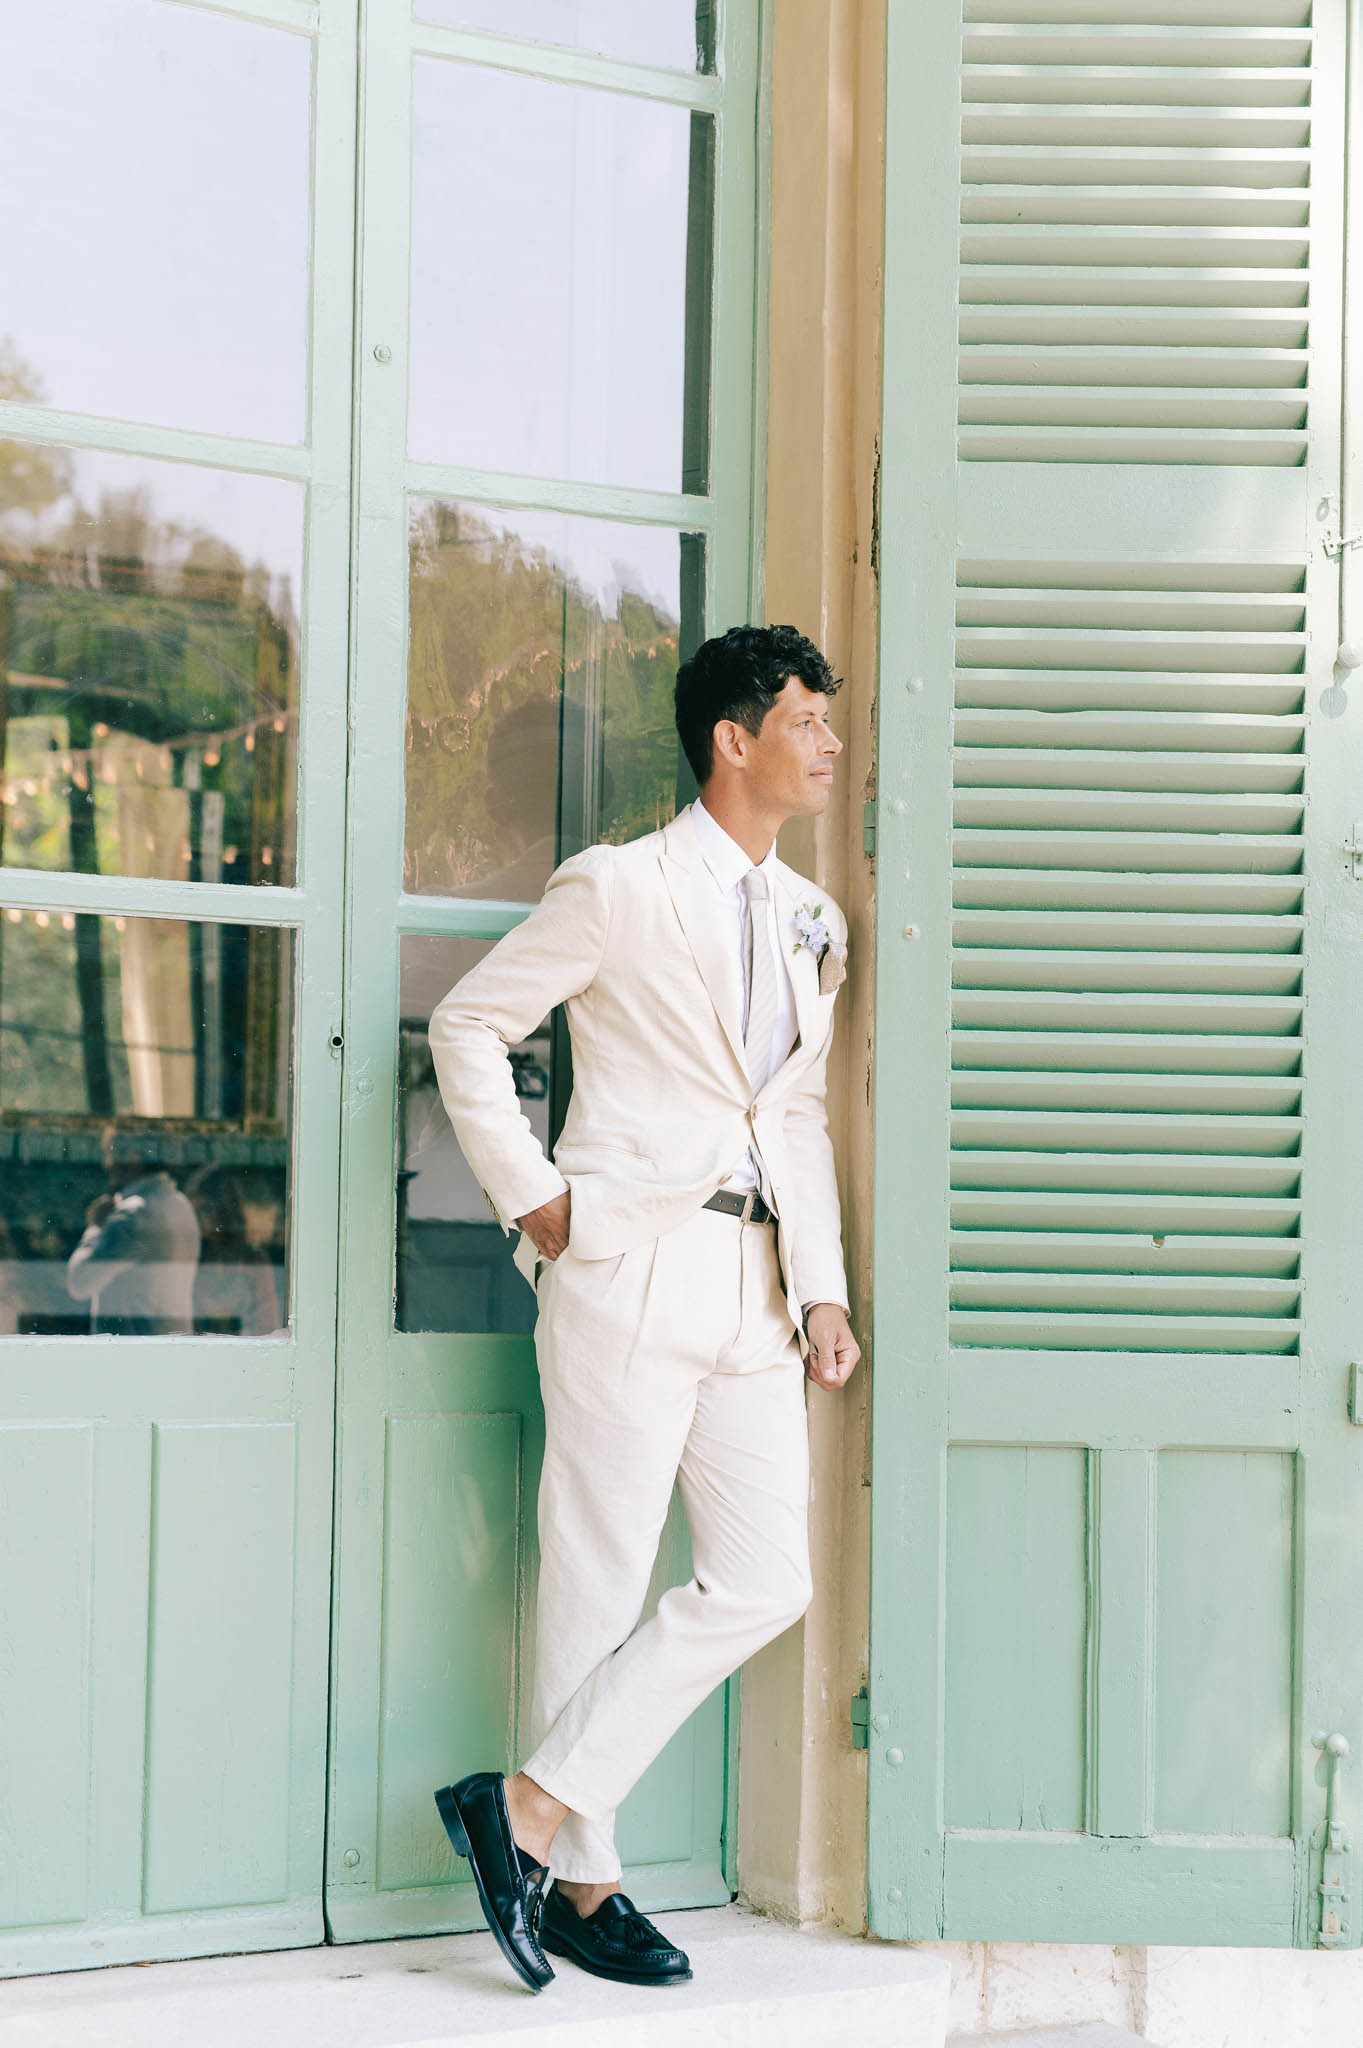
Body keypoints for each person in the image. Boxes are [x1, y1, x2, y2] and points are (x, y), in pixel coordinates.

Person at [427, 623, 859, 1993]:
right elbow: (467, 1027)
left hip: (752, 1290)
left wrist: (824, 1289)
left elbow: (789, 1114)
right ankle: (583, 1879)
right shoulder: (616, 888)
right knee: (598, 1576)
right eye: (806, 718)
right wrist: (533, 1200)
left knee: (765, 1577)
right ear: (732, 739)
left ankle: (525, 1812)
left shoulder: (812, 919)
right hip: (623, 1262)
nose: (828, 742)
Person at [65, 1129, 200, 1335]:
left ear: (131, 1157)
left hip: (132, 1355)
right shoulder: (180, 1205)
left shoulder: (132, 1216)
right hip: (172, 1345)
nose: (106, 1164)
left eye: (109, 1153)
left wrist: (95, 1227)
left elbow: (79, 1282)